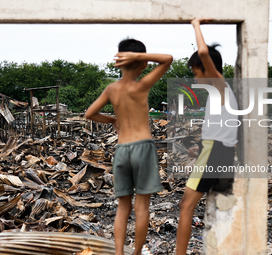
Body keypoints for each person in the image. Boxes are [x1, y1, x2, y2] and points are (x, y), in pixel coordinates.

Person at [85, 38, 173, 255]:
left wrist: (112, 120)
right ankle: (136, 253)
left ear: (120, 62)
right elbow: (167, 59)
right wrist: (140, 57)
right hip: (143, 147)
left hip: (122, 150)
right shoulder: (142, 85)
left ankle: (118, 253)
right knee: (142, 207)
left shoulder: (111, 89)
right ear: (142, 64)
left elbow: (89, 113)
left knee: (122, 208)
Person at [175, 18, 238, 255]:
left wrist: (196, 23)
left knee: (185, 207)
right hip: (220, 152)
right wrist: (199, 149)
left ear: (207, 68)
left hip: (215, 153)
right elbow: (220, 131)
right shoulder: (219, 94)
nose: (195, 77)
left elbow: (203, 52)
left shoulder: (220, 85)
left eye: (195, 71)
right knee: (219, 209)